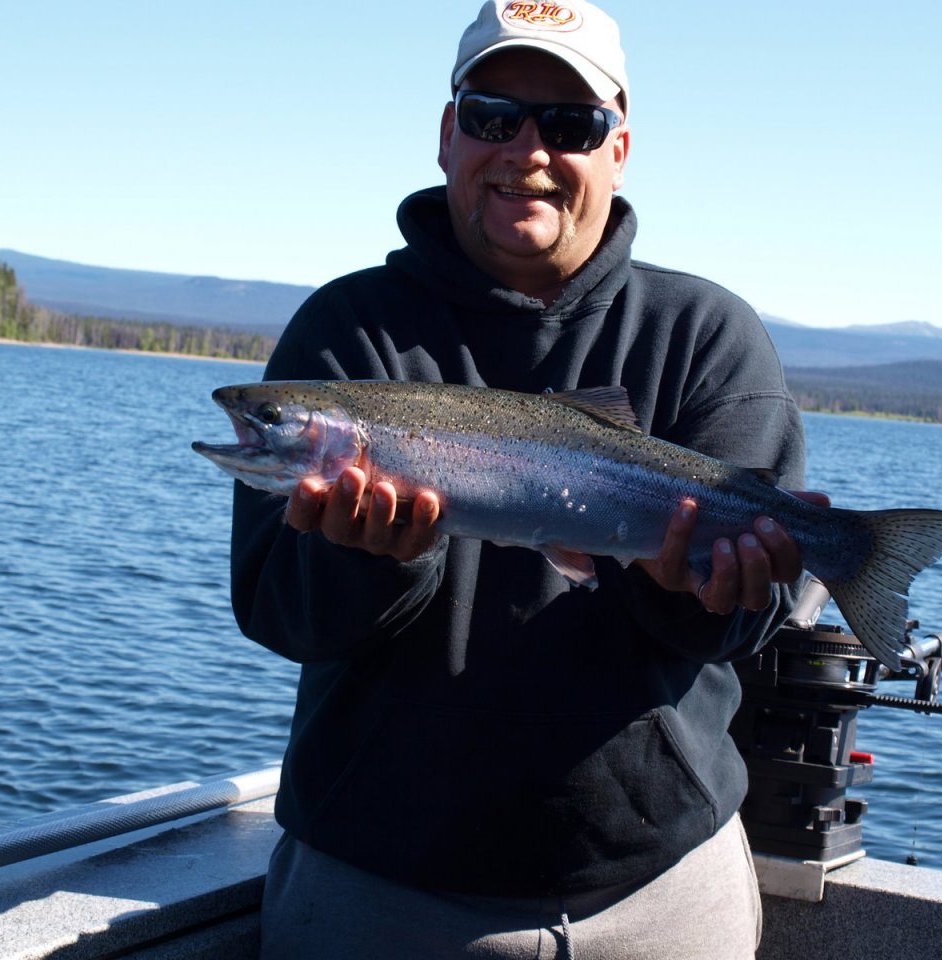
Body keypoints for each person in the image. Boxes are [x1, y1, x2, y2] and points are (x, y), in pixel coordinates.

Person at [231, 2, 821, 956]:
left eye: (570, 124)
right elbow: (276, 614)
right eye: (494, 115)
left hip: (659, 892)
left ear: (619, 147)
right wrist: (377, 562)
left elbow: (753, 615)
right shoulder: (346, 336)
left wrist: (695, 592)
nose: (528, 150)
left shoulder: (706, 336)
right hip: (376, 884)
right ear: (446, 134)